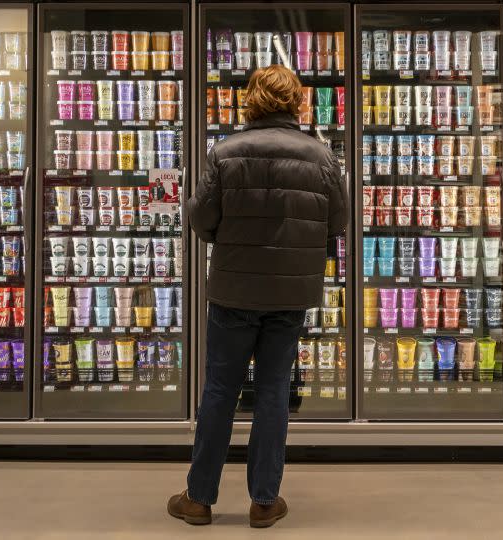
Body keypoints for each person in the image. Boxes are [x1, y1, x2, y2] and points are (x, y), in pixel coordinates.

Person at [167, 64, 349, 528]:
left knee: (220, 390)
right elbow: (338, 221)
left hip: (233, 291)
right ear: (296, 102)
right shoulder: (321, 156)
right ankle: (265, 501)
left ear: (252, 99)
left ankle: (199, 498)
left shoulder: (225, 152)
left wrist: (192, 206)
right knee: (273, 392)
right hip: (290, 292)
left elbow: (203, 220)